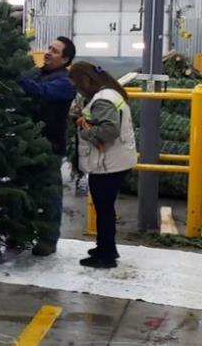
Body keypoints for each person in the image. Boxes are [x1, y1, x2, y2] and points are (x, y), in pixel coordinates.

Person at [68, 61, 137, 269]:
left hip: (108, 164)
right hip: (115, 161)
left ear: (85, 80)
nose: (76, 89)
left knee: (104, 209)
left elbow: (108, 131)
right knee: (104, 208)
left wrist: (84, 132)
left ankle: (106, 254)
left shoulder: (103, 100)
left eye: (76, 83)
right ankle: (105, 247)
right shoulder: (108, 94)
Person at [18, 36, 76, 256]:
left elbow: (40, 92)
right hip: (25, 144)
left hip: (49, 146)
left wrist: (15, 77)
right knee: (24, 190)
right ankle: (20, 233)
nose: (49, 52)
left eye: (55, 50)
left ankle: (48, 240)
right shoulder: (38, 73)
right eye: (49, 48)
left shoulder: (65, 82)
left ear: (65, 59)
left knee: (49, 193)